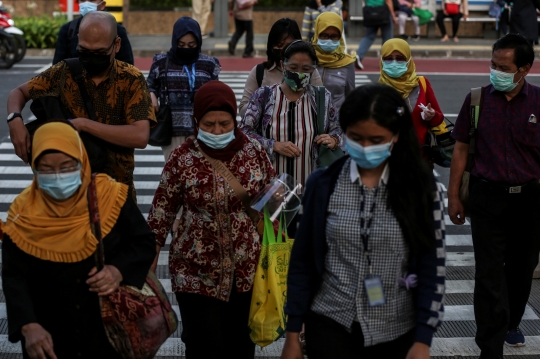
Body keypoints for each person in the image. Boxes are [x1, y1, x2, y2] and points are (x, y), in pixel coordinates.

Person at [281, 84, 446, 359]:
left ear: (395, 136)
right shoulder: (322, 184)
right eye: (356, 138)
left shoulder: (424, 189)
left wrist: (423, 339)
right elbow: (303, 260)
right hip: (330, 321)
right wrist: (293, 331)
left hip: (395, 328)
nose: (365, 147)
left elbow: (433, 266)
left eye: (376, 139)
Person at [2, 122, 155, 359]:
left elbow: (143, 242)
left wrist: (117, 271)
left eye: (66, 167)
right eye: (46, 169)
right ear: (34, 169)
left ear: (81, 162)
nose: (57, 176)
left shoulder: (110, 196)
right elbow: (14, 275)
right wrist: (27, 325)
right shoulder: (23, 213)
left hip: (108, 332)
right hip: (50, 339)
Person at [147, 81, 276, 359]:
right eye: (208, 124)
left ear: (235, 120)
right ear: (197, 121)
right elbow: (161, 212)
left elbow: (273, 197)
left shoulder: (254, 152)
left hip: (247, 273)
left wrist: (276, 246)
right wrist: (149, 266)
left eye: (224, 124)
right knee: (204, 347)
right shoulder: (182, 158)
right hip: (195, 273)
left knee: (240, 347)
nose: (217, 131)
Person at [448, 34, 540, 357]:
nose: (495, 71)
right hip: (487, 198)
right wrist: (454, 196)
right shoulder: (477, 101)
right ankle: (490, 344)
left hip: (529, 199)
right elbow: (460, 148)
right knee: (489, 273)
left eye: (503, 67)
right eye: (492, 64)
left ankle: (511, 320)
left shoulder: (538, 102)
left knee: (522, 266)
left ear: (524, 69)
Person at [7, 12, 156, 201]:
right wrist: (14, 120)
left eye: (100, 52)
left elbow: (140, 136)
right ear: (78, 41)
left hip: (117, 194)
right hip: (68, 195)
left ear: (116, 45)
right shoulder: (64, 72)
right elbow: (18, 93)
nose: (91, 58)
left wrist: (84, 125)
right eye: (84, 51)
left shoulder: (131, 79)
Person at [240, 40, 343, 190]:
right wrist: (273, 145)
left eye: (306, 68)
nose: (299, 73)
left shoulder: (322, 98)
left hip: (311, 189)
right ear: (283, 65)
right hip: (271, 190)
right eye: (293, 67)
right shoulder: (264, 96)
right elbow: (244, 133)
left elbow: (337, 129)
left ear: (313, 70)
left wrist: (333, 139)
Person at [147, 16, 221, 161]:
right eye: (181, 45)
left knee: (201, 176)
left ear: (198, 42)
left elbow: (216, 93)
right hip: (172, 130)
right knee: (174, 177)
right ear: (175, 42)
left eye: (191, 45)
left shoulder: (208, 64)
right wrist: (151, 94)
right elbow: (148, 84)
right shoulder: (161, 62)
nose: (186, 48)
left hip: (203, 131)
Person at [238, 18, 322, 117]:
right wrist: (265, 99)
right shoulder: (259, 72)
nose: (283, 50)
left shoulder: (309, 72)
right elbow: (243, 110)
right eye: (279, 45)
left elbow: (321, 106)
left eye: (289, 45)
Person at [378, 39, 444, 156]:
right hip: (388, 157)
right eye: (388, 59)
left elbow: (439, 118)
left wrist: (432, 116)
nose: (394, 63)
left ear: (408, 60)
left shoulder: (422, 84)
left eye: (399, 58)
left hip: (420, 155)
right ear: (382, 61)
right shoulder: (376, 91)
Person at [53, 0, 134, 65]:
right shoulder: (67, 30)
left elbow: (128, 66)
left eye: (92, 0)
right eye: (83, 0)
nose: (87, 3)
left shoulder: (117, 30)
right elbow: (56, 68)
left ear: (102, 5)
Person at [311, 11, 355, 112]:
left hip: (336, 123)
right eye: (324, 35)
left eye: (334, 36)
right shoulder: (307, 58)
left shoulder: (347, 63)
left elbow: (351, 98)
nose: (329, 40)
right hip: (308, 121)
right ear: (317, 33)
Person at [355, 0, 397, 70]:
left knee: (369, 37)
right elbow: (388, 1)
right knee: (387, 38)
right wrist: (393, 15)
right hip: (383, 12)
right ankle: (385, 61)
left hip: (370, 12)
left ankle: (359, 55)